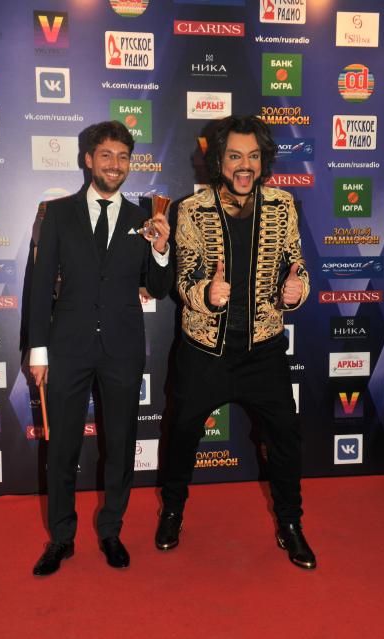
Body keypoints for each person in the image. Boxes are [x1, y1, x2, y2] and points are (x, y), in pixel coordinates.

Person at [155, 115, 316, 570]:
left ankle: (290, 523)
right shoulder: (191, 210)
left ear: (263, 161)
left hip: (264, 349)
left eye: (253, 156)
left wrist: (297, 290)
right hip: (204, 351)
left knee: (285, 437)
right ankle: (172, 510)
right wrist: (205, 294)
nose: (245, 166)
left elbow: (296, 265)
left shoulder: (283, 205)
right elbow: (183, 278)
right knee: (182, 434)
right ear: (218, 162)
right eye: (234, 156)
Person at [29, 120, 172, 575]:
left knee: (122, 444)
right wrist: (38, 350)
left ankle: (111, 530)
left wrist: (162, 249)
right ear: (88, 159)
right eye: (106, 155)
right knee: (61, 447)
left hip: (122, 348)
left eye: (123, 157)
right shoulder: (56, 213)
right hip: (67, 347)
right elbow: (39, 286)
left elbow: (158, 287)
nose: (115, 165)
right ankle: (61, 537)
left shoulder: (143, 217)